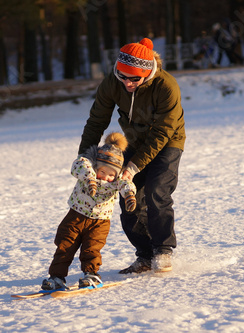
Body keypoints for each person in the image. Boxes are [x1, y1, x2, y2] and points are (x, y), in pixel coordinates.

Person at [77, 38, 186, 274]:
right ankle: (145, 254)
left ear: (147, 73)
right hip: (133, 142)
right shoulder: (112, 83)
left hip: (168, 142)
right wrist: (84, 158)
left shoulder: (167, 86)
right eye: (122, 76)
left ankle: (163, 250)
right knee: (129, 195)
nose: (127, 82)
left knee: (158, 191)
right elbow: (97, 121)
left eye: (134, 79)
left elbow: (162, 131)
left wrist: (134, 166)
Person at [41, 132, 137, 290]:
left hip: (100, 222)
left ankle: (91, 275)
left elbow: (126, 184)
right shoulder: (86, 169)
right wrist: (90, 179)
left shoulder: (118, 180)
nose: (106, 177)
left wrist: (129, 196)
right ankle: (57, 277)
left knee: (91, 248)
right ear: (96, 167)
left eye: (111, 174)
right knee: (65, 245)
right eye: (102, 172)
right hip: (75, 216)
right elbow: (79, 164)